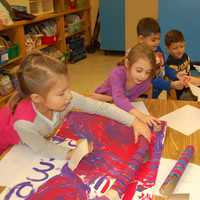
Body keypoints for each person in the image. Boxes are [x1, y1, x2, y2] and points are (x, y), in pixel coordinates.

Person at [1, 52, 151, 164]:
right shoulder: (24, 124)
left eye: (68, 89)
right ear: (37, 98)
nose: (69, 96)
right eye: (61, 93)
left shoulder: (66, 98)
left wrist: (133, 122)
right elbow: (42, 148)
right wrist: (71, 153)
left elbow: (100, 107)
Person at [92, 43, 160, 128]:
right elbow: (119, 98)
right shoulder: (117, 73)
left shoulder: (145, 82)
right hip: (101, 102)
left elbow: (124, 100)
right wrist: (142, 116)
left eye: (147, 72)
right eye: (139, 70)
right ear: (127, 64)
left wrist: (114, 99)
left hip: (118, 106)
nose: (143, 76)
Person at [136, 17, 184, 98]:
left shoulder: (157, 50)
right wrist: (170, 84)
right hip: (143, 96)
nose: (157, 43)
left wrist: (176, 75)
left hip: (156, 92)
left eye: (158, 39)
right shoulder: (140, 57)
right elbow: (151, 79)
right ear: (141, 39)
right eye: (153, 40)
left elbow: (164, 67)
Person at [165, 29, 196, 99]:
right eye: (175, 48)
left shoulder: (185, 55)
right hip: (179, 92)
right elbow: (171, 86)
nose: (179, 50)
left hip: (190, 85)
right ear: (168, 49)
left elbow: (192, 68)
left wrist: (195, 79)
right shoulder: (170, 63)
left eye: (182, 46)